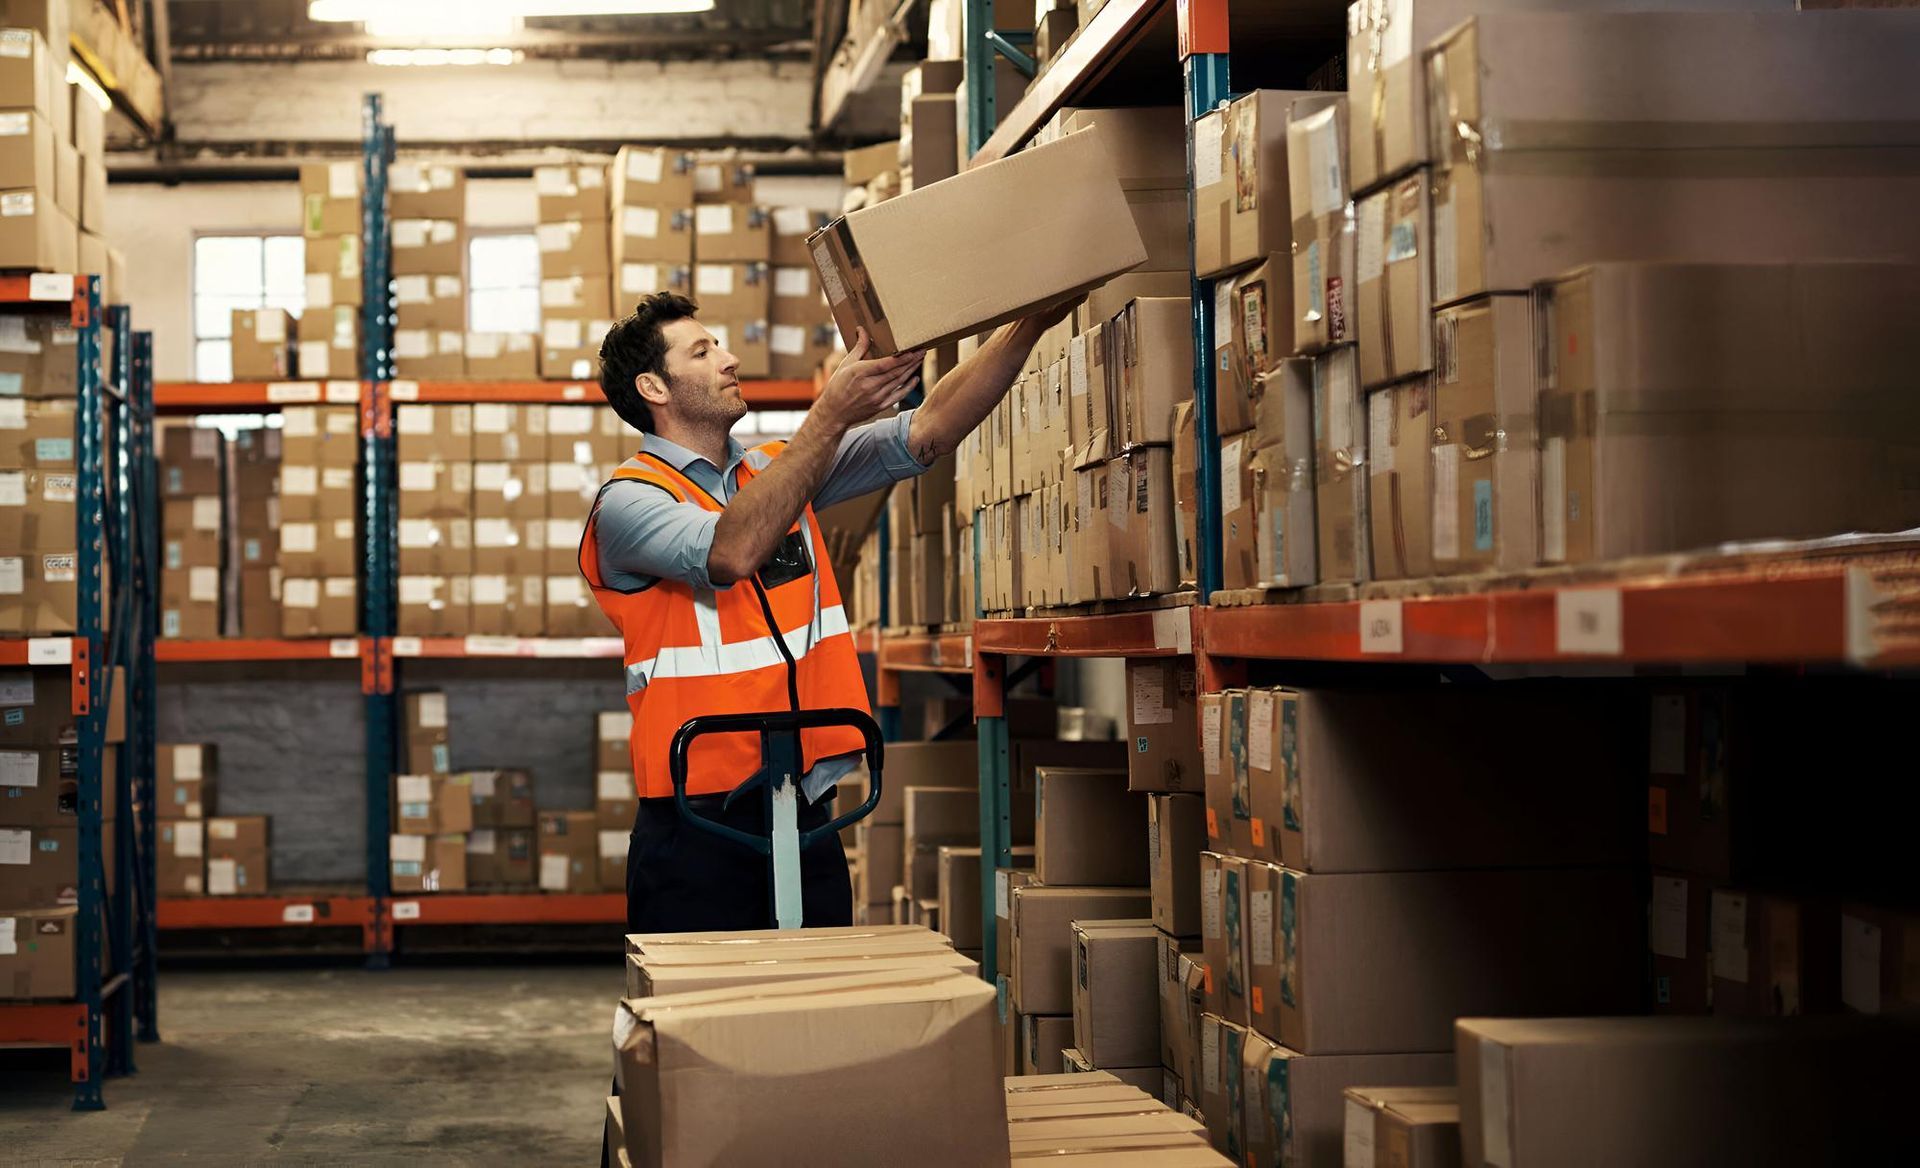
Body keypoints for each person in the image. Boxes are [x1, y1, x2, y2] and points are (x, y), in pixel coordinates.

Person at [583, 291, 1063, 934]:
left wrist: (1028, 323)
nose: (728, 359)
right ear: (653, 387)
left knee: (815, 1015)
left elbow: (929, 429)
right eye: (702, 351)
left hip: (806, 807)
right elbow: (730, 550)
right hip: (696, 825)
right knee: (707, 1025)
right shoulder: (629, 502)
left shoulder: (777, 470)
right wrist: (829, 413)